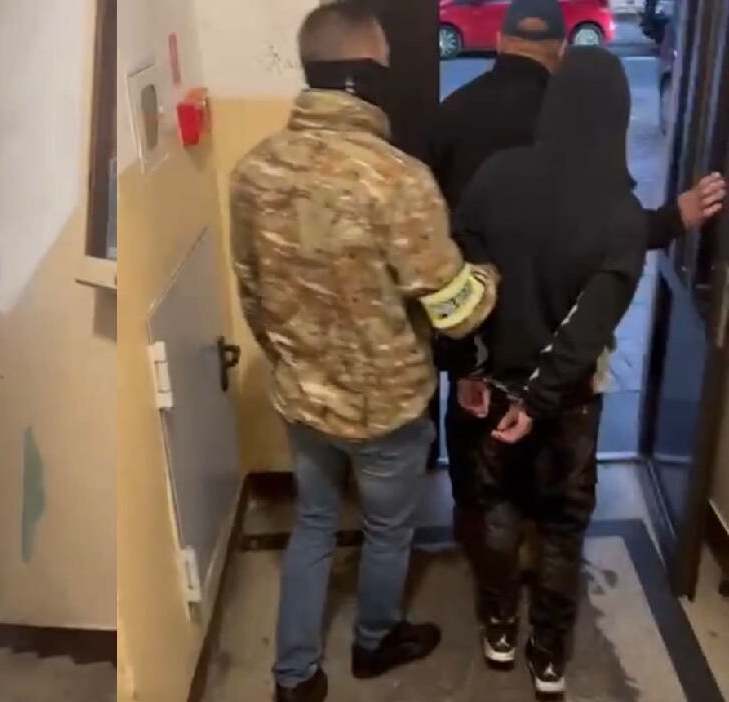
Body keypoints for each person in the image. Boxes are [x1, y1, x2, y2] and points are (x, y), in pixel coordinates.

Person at [229, 4, 499, 701]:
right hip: (387, 409)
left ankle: (294, 677)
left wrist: (294, 363)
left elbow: (253, 296)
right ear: (365, 73)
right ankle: (375, 642)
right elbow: (454, 309)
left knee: (314, 523)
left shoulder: (253, 172)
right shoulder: (398, 179)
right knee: (386, 529)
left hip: (303, 398)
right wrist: (489, 278)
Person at [426, 0, 725, 559]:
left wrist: (460, 356)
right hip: (563, 350)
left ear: (499, 42)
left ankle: (483, 560)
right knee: (559, 496)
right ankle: (541, 562)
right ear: (561, 51)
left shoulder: (450, 116)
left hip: (481, 344)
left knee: (481, 479)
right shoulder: (578, 130)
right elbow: (609, 236)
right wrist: (670, 220)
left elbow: (436, 246)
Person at [450, 46, 647, 697]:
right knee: (562, 529)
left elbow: (459, 278)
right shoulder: (621, 214)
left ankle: (500, 628)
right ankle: (549, 655)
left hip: (491, 387)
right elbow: (589, 326)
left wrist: (468, 365)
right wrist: (537, 403)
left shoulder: (496, 175)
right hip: (567, 403)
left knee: (496, 512)